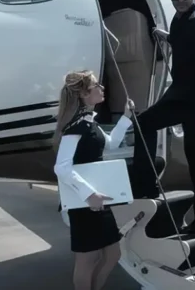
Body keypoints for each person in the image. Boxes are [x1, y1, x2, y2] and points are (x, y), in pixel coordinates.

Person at [131, 0, 195, 236]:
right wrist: (164, 35)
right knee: (144, 123)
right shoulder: (180, 18)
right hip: (181, 96)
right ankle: (147, 187)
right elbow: (183, 41)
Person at [53, 70, 135, 290]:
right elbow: (61, 167)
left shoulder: (90, 123)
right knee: (87, 259)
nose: (102, 88)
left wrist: (126, 117)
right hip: (85, 202)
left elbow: (111, 144)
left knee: (113, 253)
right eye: (97, 85)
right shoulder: (76, 127)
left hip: (97, 201)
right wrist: (89, 194)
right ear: (83, 94)